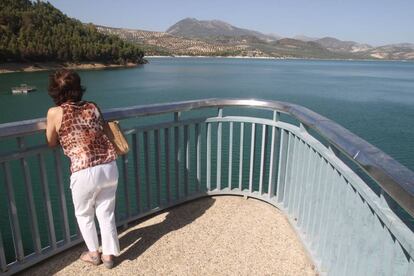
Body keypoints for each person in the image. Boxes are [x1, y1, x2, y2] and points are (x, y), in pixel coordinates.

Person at [45, 69, 119, 269]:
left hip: (83, 169)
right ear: (78, 88)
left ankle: (94, 254)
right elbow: (101, 128)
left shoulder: (55, 112)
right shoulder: (93, 106)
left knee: (84, 214)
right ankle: (109, 256)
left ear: (55, 91)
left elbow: (51, 141)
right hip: (108, 165)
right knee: (106, 212)